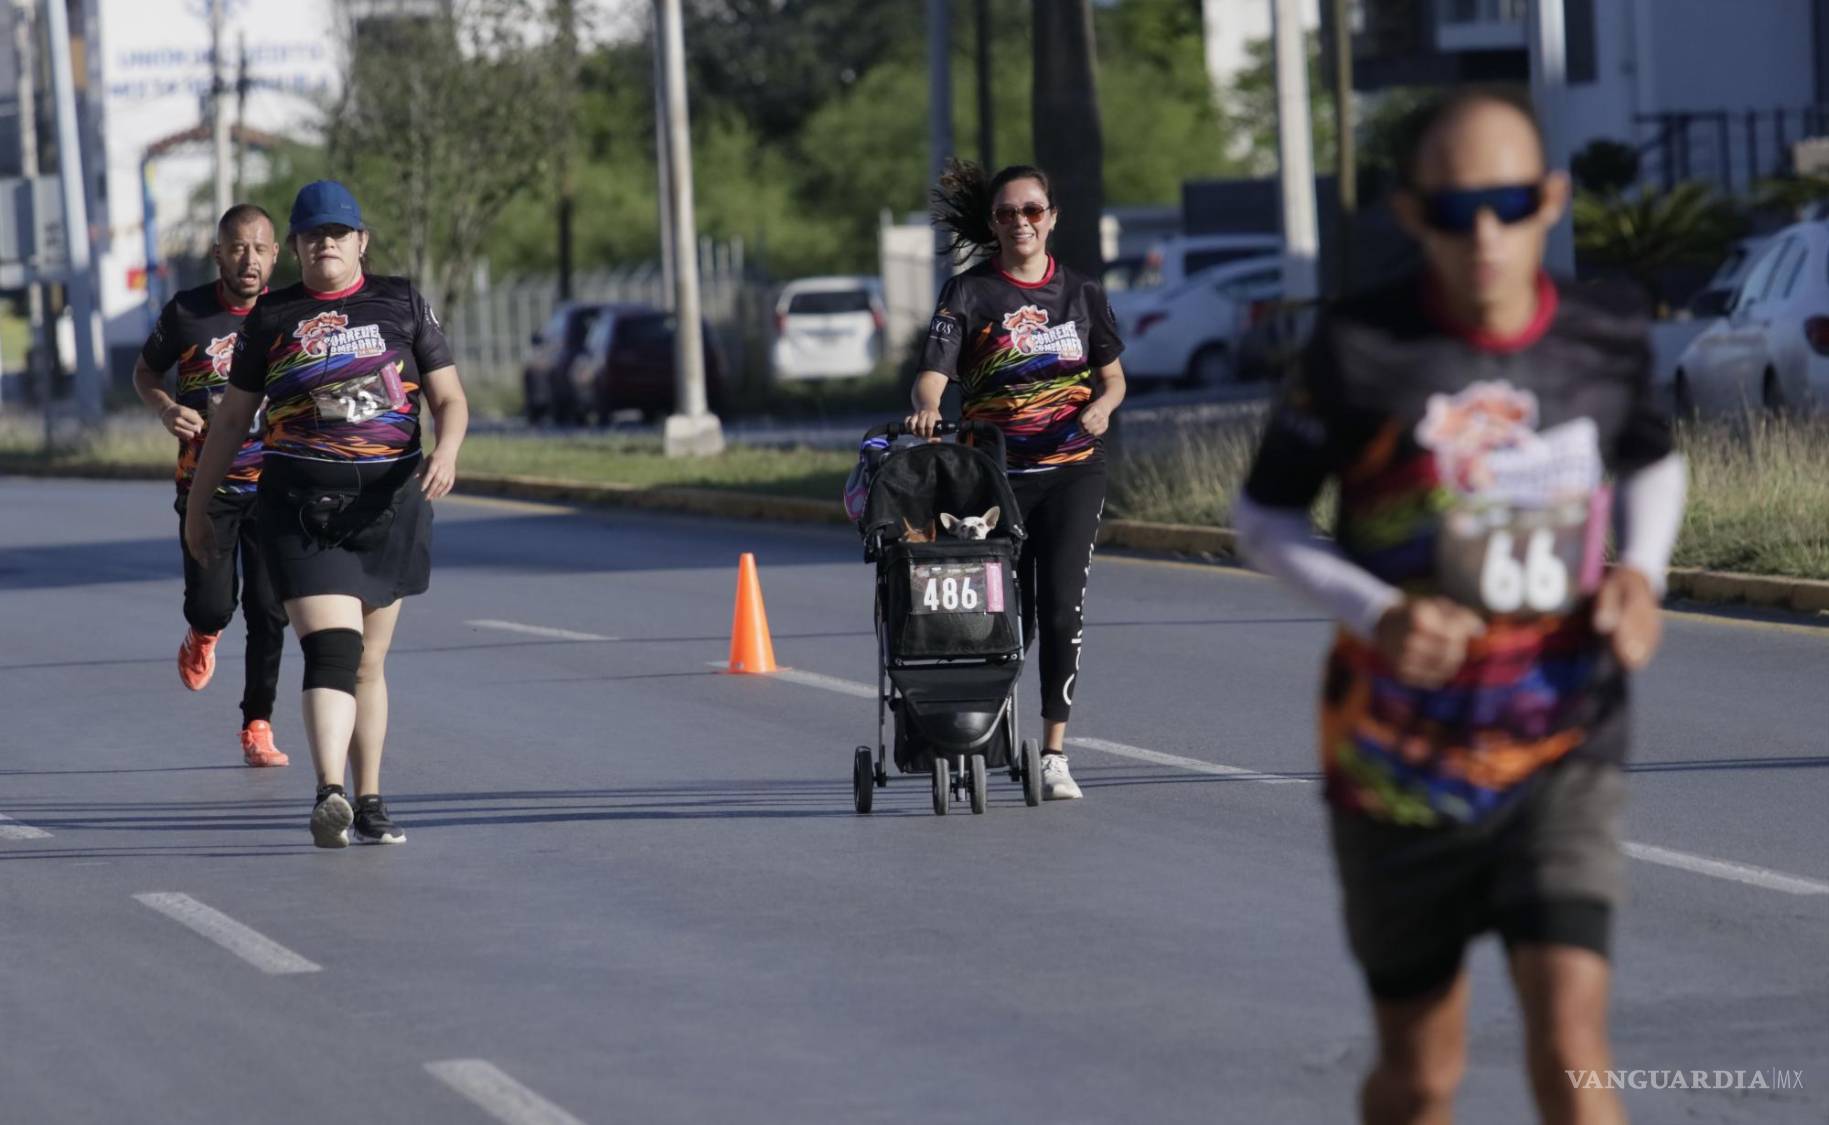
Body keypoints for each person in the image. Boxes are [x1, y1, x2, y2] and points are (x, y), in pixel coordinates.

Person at [1235, 88, 1687, 1125]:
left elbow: (1652, 463)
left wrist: (1641, 574)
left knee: (1572, 1046)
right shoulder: (1359, 348)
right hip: (1399, 757)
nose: (1481, 234)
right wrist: (1374, 610)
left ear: (1548, 200)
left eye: (1506, 202)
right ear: (1408, 215)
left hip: (1561, 738)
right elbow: (1262, 517)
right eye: (1450, 210)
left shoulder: (1603, 327)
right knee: (1420, 1077)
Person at [185, 180, 469, 848]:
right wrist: (200, 505)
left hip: (389, 505)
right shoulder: (273, 317)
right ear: (296, 247)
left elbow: (449, 398)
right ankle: (328, 791)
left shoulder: (400, 302)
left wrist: (449, 451)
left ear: (360, 241)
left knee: (370, 661)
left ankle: (368, 798)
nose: (326, 245)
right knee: (333, 650)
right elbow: (230, 418)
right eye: (313, 235)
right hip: (301, 507)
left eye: (338, 234)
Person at [908, 160, 1128, 801]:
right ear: (994, 225)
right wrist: (927, 405)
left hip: (1071, 471)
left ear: (1052, 217)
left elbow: (1113, 376)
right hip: (992, 479)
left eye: (1032, 210)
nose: (1021, 223)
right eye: (1007, 214)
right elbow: (934, 373)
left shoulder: (1082, 292)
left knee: (1060, 610)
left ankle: (1054, 752)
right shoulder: (968, 294)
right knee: (1003, 618)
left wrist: (1102, 406)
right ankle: (981, 731)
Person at [132, 203, 289, 768]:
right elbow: (145, 373)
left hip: (276, 487)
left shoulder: (290, 314)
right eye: (237, 248)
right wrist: (168, 407)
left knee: (271, 612)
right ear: (218, 254)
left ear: (276, 255)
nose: (249, 260)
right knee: (214, 604)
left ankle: (257, 725)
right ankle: (202, 633)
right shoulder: (188, 312)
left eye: (260, 248)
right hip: (206, 485)